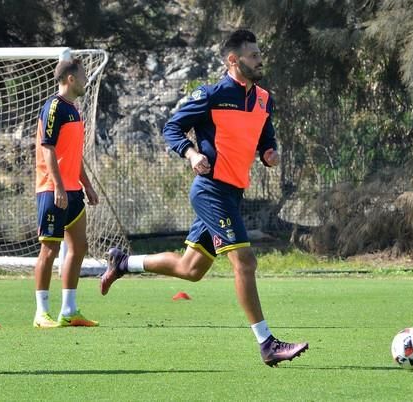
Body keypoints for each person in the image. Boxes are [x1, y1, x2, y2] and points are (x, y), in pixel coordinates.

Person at [101, 29, 308, 366]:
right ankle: (267, 343)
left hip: (233, 192)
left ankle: (124, 262)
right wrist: (191, 154)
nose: (259, 60)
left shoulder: (263, 99)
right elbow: (172, 128)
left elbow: (264, 136)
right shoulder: (211, 94)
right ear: (233, 60)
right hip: (211, 191)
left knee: (190, 269)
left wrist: (269, 152)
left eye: (259, 54)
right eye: (253, 55)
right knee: (245, 261)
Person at [33, 57, 100, 328]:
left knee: (79, 247)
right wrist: (58, 186)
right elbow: (47, 148)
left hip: (74, 191)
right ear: (70, 79)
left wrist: (87, 184)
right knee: (49, 250)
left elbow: (74, 155)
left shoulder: (75, 110)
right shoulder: (54, 107)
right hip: (53, 191)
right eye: (83, 76)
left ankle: (69, 310)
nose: (86, 80)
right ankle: (41, 313)